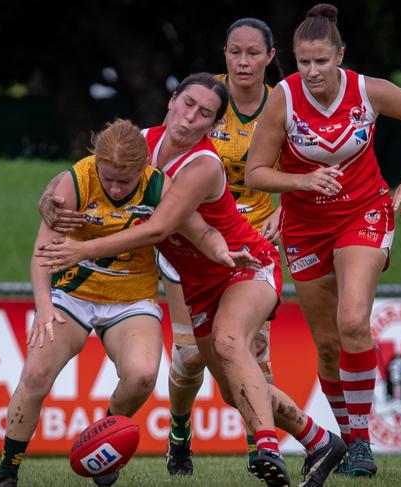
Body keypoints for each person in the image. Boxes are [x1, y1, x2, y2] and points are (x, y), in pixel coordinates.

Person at [35, 73, 347, 487]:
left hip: (243, 263)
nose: (190, 117)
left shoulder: (203, 164)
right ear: (171, 101)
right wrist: (50, 195)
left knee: (229, 341)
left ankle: (266, 448)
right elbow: (87, 174)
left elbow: (157, 229)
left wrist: (80, 250)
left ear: (214, 126)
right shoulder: (141, 144)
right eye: (187, 104)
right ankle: (320, 440)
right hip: (198, 282)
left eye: (204, 113)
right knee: (233, 390)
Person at [0, 119, 255, 487]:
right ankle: (7, 471)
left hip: (131, 297)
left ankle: (102, 438)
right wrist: (44, 306)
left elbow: (200, 230)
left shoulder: (159, 185)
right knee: (35, 374)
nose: (114, 186)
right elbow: (42, 252)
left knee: (143, 376)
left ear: (143, 167)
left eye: (124, 180)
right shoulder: (76, 181)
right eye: (108, 176)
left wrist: (222, 250)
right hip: (73, 295)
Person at [245, 3, 401, 478]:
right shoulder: (285, 99)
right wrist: (301, 183)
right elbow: (256, 173)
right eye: (303, 62)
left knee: (353, 319)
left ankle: (362, 444)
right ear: (293, 60)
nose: (312, 71)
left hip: (364, 212)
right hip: (304, 226)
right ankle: (347, 437)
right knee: (330, 346)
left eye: (321, 61)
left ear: (340, 56)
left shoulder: (365, 90)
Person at [161, 17, 285, 476]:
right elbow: (168, 144)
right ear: (225, 54)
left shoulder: (284, 102)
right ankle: (179, 431)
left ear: (270, 57)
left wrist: (285, 209)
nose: (243, 61)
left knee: (254, 355)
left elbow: (311, 160)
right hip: (192, 237)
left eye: (254, 53)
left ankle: (262, 450)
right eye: (235, 52)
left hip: (250, 246)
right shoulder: (206, 96)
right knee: (189, 357)